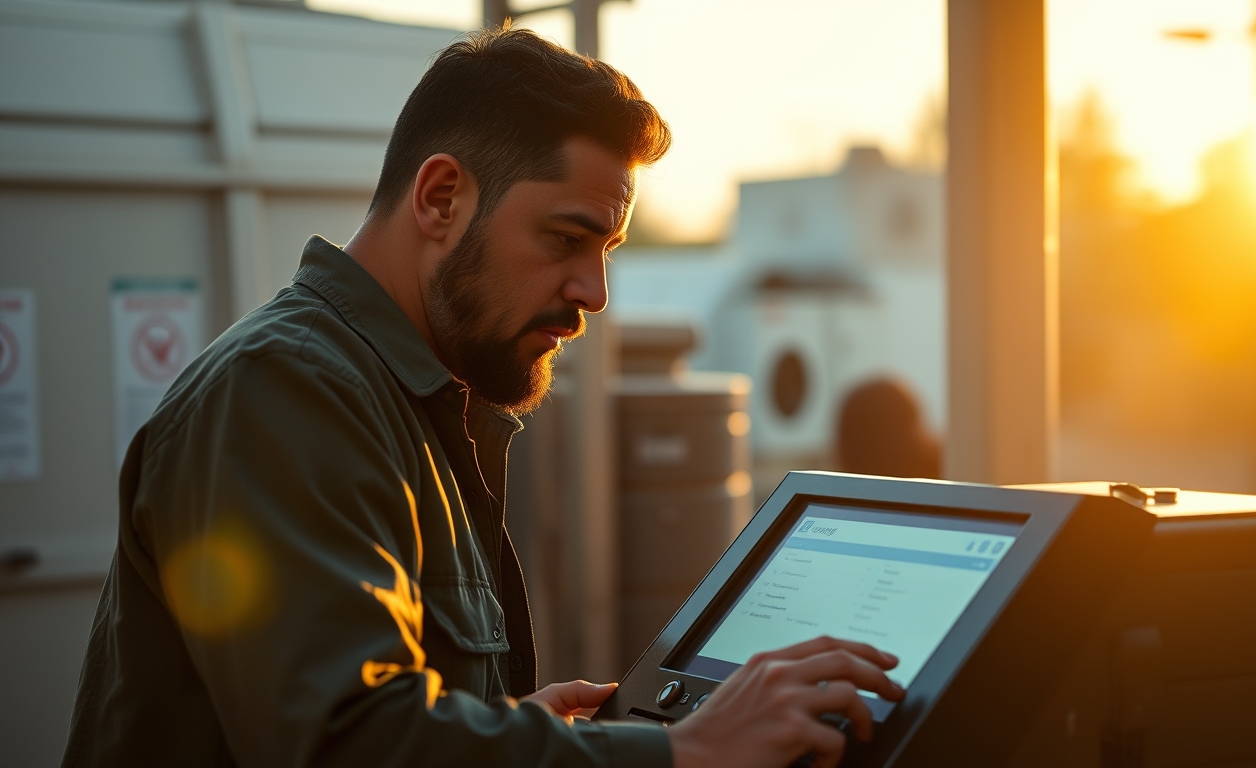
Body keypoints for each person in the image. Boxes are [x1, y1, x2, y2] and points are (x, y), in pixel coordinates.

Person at [62, 27, 903, 768]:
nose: (594, 291)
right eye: (566, 238)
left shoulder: (400, 405)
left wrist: (497, 735)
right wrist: (687, 750)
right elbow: (344, 744)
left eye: (607, 246)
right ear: (440, 198)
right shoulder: (282, 391)